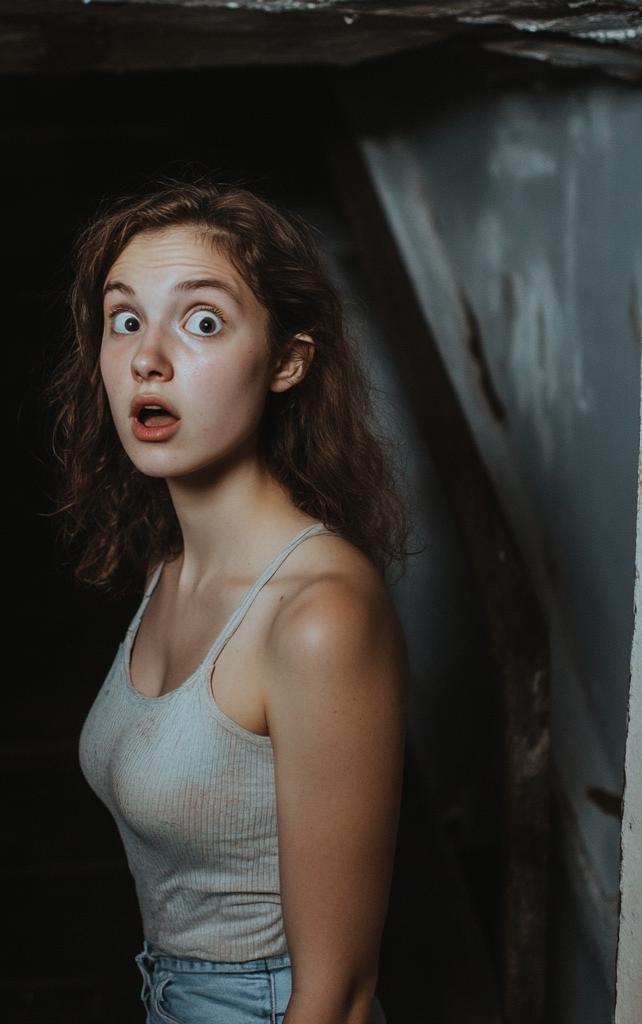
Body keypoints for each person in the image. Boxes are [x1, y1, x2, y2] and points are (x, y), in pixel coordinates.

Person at [51, 181, 408, 1024]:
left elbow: (342, 996)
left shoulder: (318, 615)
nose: (148, 358)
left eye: (202, 321)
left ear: (288, 360)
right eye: (125, 319)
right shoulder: (169, 570)